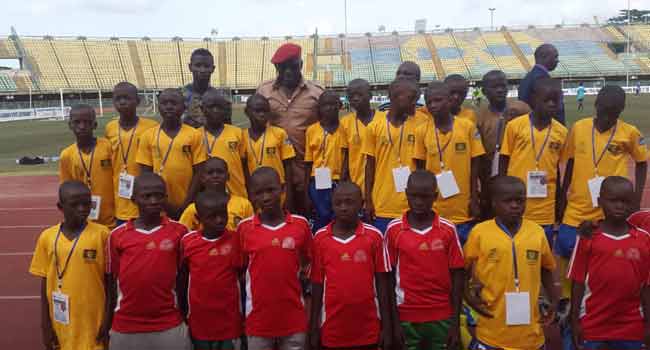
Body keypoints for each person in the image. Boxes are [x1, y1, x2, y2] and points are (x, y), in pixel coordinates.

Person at [464, 176, 559, 350]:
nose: (515, 206)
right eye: (508, 201)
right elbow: (462, 269)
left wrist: (553, 300)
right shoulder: (479, 233)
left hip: (530, 336)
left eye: (520, 201)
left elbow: (546, 268)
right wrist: (469, 297)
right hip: (491, 331)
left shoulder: (537, 232)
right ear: (494, 203)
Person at [105, 173, 190, 350]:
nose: (153, 201)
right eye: (146, 196)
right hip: (126, 326)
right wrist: (108, 322)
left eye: (158, 195)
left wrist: (184, 314)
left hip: (169, 324)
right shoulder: (117, 236)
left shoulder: (180, 232)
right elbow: (112, 283)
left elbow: (185, 279)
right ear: (133, 198)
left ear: (165, 198)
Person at [385, 170, 464, 350]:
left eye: (425, 196)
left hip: (442, 314)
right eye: (414, 196)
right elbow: (388, 277)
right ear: (406, 194)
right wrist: (393, 323)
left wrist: (455, 323)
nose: (419, 202)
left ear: (435, 196)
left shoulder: (447, 229)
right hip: (406, 315)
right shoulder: (394, 230)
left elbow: (458, 275)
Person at [569, 176, 650, 350]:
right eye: (613, 201)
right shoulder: (588, 237)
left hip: (631, 325)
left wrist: (648, 324)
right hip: (593, 323)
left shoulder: (643, 239)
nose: (620, 206)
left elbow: (646, 286)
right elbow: (577, 282)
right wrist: (574, 320)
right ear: (600, 201)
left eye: (625, 201)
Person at [309, 182, 393, 350]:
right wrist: (313, 329)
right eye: (338, 203)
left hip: (369, 329)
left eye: (349, 202)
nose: (343, 207)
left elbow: (383, 285)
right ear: (331, 205)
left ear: (361, 204)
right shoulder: (320, 239)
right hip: (332, 330)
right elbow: (317, 286)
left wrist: (387, 327)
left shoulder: (374, 237)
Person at [29, 181, 110, 350]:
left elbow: (111, 282)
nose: (82, 209)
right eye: (74, 205)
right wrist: (45, 324)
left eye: (87, 204)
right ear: (60, 207)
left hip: (94, 322)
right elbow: (44, 285)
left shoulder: (102, 234)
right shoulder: (47, 237)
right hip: (62, 325)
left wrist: (108, 319)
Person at [237, 167, 312, 350]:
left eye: (271, 190)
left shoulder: (300, 225)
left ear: (282, 188)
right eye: (259, 193)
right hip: (258, 321)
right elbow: (241, 270)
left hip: (294, 319)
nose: (266, 197)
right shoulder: (244, 229)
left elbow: (309, 267)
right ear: (251, 195)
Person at [257, 43, 324, 216]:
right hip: (275, 166)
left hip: (307, 167)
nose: (288, 72)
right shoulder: (264, 91)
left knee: (309, 214)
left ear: (300, 65)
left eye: (293, 66)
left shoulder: (316, 93)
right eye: (282, 67)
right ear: (276, 67)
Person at [414, 81, 485, 244]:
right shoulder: (421, 131)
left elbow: (475, 164)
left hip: (462, 206)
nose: (433, 105)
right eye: (429, 102)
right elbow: (420, 169)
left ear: (449, 100)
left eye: (438, 100)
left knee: (462, 257)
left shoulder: (467, 127)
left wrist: (474, 198)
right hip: (435, 208)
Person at [500, 78, 568, 245]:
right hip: (515, 200)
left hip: (545, 204)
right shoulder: (515, 126)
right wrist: (501, 189)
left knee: (541, 248)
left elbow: (558, 167)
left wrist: (560, 195)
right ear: (533, 100)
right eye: (547, 100)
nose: (552, 104)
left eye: (556, 100)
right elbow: (504, 159)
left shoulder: (562, 132)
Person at [178, 190, 243, 350]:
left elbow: (243, 277)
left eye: (222, 214)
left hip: (230, 323)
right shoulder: (188, 242)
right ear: (199, 219)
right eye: (212, 216)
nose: (219, 220)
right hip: (200, 323)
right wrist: (183, 311)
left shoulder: (236, 240)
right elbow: (183, 279)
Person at [136, 88, 207, 219]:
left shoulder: (194, 135)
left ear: (184, 106)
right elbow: (146, 174)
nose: (169, 107)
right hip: (158, 204)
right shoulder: (148, 136)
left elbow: (199, 173)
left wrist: (186, 203)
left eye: (174, 103)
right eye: (164, 103)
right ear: (158, 107)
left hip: (188, 203)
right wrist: (164, 204)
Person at [363, 78, 421, 233]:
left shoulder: (420, 125)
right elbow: (369, 166)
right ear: (394, 97)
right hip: (382, 205)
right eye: (411, 98)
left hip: (412, 206)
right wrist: (368, 200)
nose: (415, 102)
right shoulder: (374, 127)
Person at [105, 82, 159, 226]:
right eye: (118, 98)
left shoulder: (151, 126)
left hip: (146, 192)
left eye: (127, 98)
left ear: (137, 101)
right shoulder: (110, 128)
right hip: (120, 192)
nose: (122, 102)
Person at [59, 104, 115, 228]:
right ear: (70, 125)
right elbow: (66, 189)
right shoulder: (66, 155)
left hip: (112, 218)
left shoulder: (108, 147)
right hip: (84, 220)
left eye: (87, 122)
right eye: (77, 122)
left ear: (94, 125)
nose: (82, 126)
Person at [242, 94, 296, 211]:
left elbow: (288, 165)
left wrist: (289, 194)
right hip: (256, 192)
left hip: (277, 190)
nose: (262, 114)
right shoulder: (242, 136)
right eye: (257, 111)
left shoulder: (279, 133)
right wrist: (249, 190)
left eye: (265, 111)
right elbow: (244, 167)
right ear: (247, 112)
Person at [304, 91, 349, 230]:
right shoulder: (311, 130)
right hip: (316, 182)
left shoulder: (345, 129)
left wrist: (343, 180)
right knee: (321, 216)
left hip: (337, 182)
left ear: (340, 106)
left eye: (334, 104)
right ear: (319, 108)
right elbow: (308, 162)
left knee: (338, 217)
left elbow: (346, 157)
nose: (330, 108)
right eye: (326, 105)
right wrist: (306, 191)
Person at [179, 157, 254, 232]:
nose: (215, 176)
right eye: (210, 173)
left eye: (220, 172)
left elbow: (251, 232)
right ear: (202, 178)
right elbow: (182, 233)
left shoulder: (244, 204)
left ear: (228, 176)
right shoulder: (193, 209)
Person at [199, 88, 248, 198]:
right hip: (208, 198)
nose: (215, 110)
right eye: (211, 107)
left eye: (219, 107)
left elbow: (245, 166)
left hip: (238, 194)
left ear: (225, 110)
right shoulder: (196, 136)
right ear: (202, 109)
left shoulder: (237, 133)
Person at [341, 79, 376, 198]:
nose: (355, 99)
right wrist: (343, 182)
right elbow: (345, 156)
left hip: (381, 184)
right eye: (351, 96)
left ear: (370, 96)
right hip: (356, 185)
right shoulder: (345, 123)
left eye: (359, 95)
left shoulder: (384, 120)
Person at [518, 43, 565, 124]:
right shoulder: (541, 79)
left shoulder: (528, 77)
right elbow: (555, 111)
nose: (558, 60)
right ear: (543, 56)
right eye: (555, 56)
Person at [378, 61, 430, 125]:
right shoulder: (384, 107)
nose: (400, 77)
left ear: (417, 80)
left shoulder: (426, 112)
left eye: (407, 74)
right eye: (398, 73)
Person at [182, 48, 217, 128]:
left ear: (213, 69)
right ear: (190, 67)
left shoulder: (219, 97)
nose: (202, 70)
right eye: (198, 65)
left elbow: (227, 129)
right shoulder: (180, 96)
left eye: (206, 66)